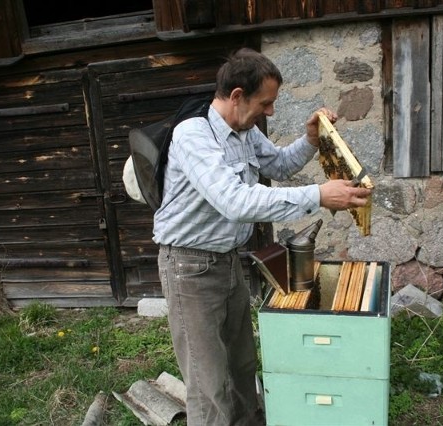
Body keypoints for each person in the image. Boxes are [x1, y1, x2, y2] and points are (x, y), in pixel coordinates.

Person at [153, 47, 371, 425]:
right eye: (265, 103)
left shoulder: (245, 130)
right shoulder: (193, 136)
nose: (269, 112)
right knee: (209, 384)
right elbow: (234, 202)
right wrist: (319, 194)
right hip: (188, 267)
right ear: (237, 96)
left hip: (225, 260)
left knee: (241, 365)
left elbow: (280, 165)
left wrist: (310, 140)